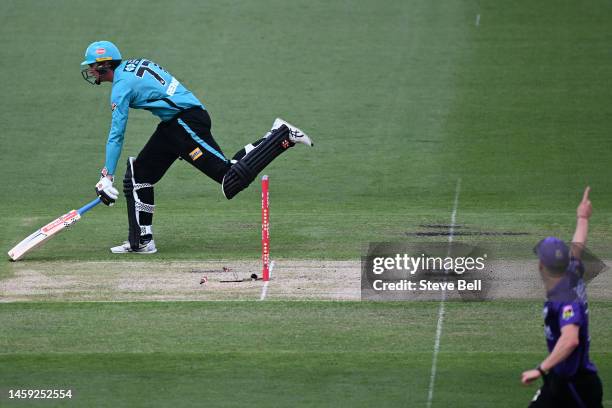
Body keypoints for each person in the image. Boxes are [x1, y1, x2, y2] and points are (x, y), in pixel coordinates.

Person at [80, 41, 313, 254]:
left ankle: (281, 136)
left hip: (185, 122)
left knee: (230, 181)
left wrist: (106, 175)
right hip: (175, 125)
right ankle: (141, 241)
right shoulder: (132, 65)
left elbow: (116, 134)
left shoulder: (121, 87)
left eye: (92, 66)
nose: (90, 71)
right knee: (139, 174)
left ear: (104, 66)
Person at [521, 187, 603, 407]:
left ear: (542, 266)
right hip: (560, 381)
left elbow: (570, 339)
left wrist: (540, 369)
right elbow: (577, 247)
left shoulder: (565, 299)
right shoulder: (571, 271)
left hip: (576, 386)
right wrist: (582, 217)